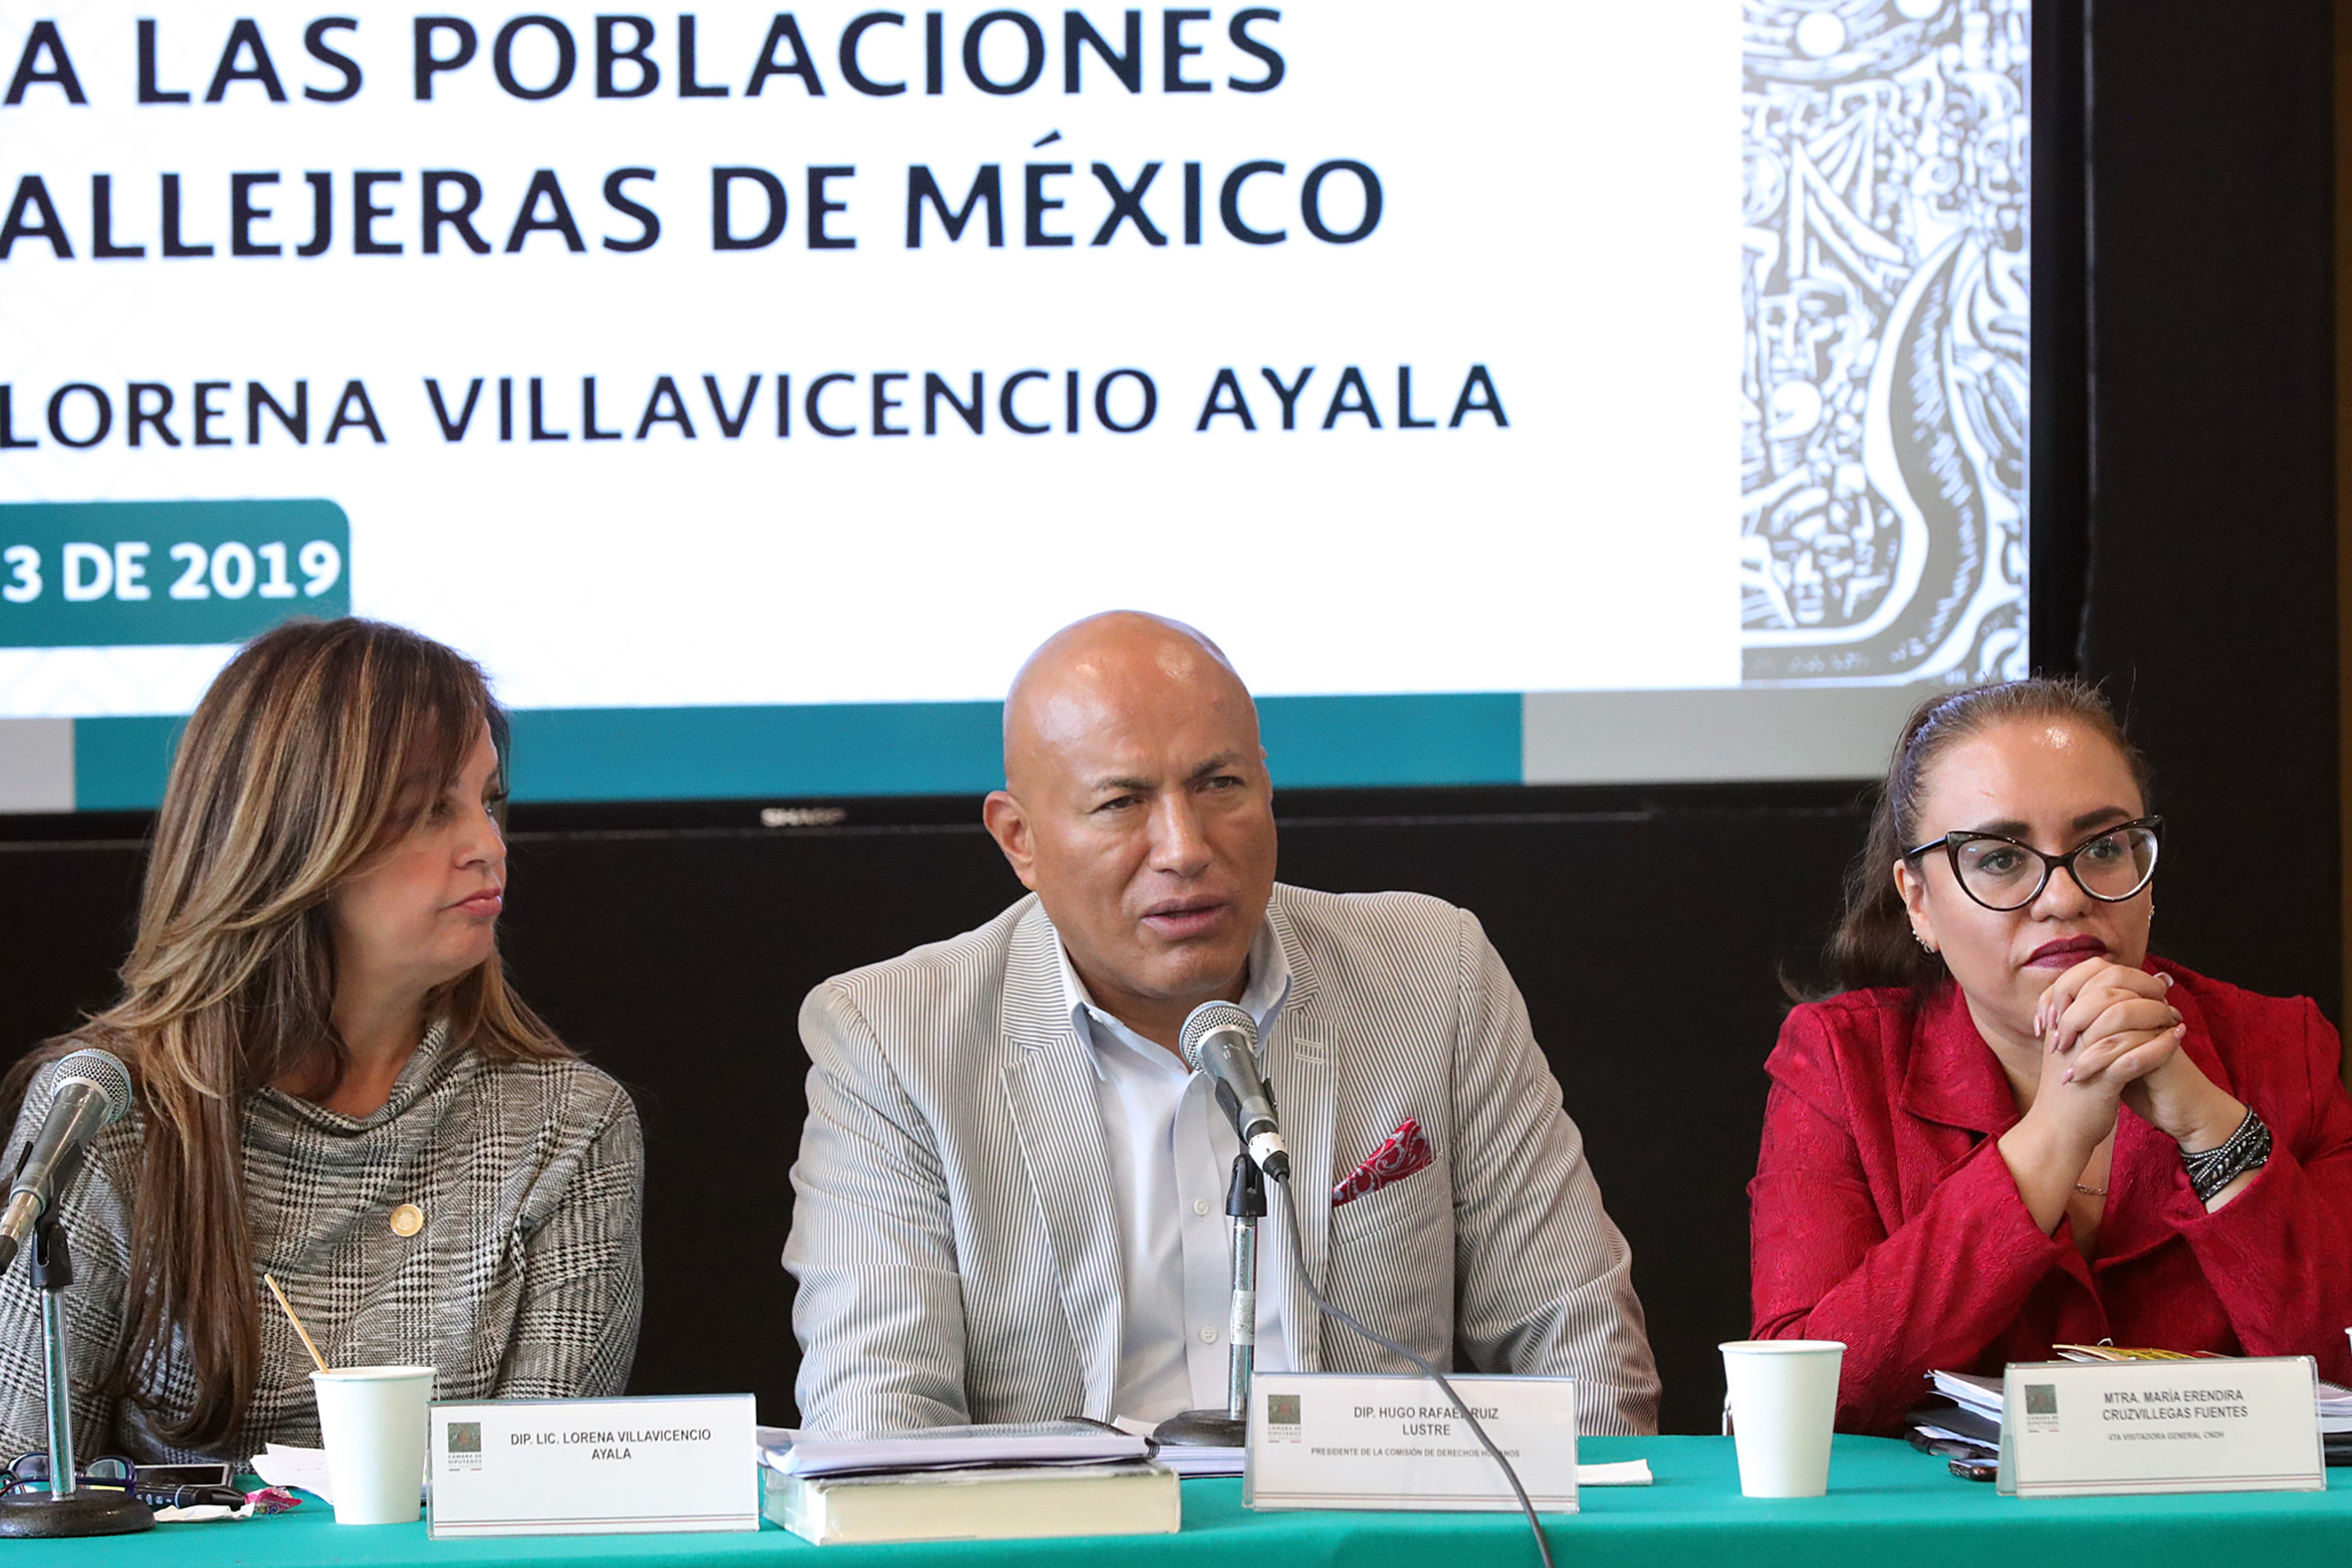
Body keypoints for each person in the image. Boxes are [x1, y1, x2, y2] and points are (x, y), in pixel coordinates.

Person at [786, 611, 1659, 1436]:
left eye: (1219, 785)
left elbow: (1582, 1356)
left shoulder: (1433, 975)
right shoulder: (895, 1038)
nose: (1185, 846)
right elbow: (876, 1421)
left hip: (1373, 1528)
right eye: (1121, 802)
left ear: (1268, 786)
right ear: (1020, 839)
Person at [0, 618, 644, 1464]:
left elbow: (543, 1495)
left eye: (489, 800)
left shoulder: (569, 1124)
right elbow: (19, 1487)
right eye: (431, 809)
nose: (488, 847)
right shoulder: (109, 1108)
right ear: (293, 836)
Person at [1750, 678, 2352, 1434]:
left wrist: (2213, 1130)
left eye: (2103, 848)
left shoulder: (2281, 1047)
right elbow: (1799, 1397)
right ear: (1918, 901)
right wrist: (2052, 1137)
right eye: (2001, 859)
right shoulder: (1841, 1062)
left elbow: (2342, 1365)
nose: (2064, 898)